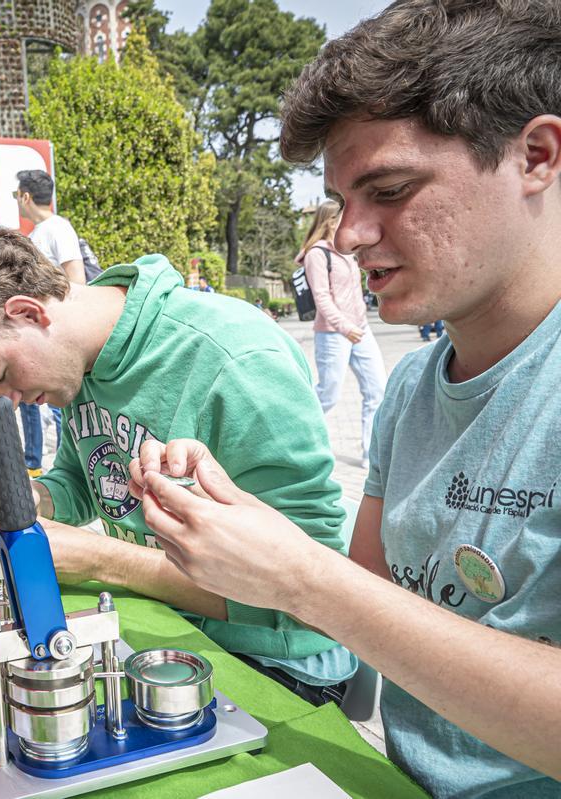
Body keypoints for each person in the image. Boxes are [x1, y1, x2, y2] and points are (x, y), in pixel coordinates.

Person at [127, 1, 561, 794]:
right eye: (340, 200)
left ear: (535, 155)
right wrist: (234, 517)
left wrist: (300, 577)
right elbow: (363, 601)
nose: (348, 234)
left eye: (389, 189)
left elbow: (331, 594)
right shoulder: (411, 392)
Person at [0, 226, 354, 703]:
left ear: (28, 313)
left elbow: (309, 592)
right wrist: (42, 500)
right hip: (166, 626)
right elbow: (86, 477)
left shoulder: (236, 360)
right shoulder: (80, 364)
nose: (10, 401)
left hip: (275, 663)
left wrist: (102, 559)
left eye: (4, 377)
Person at [298, 200, 387, 470]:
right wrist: (345, 327)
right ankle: (295, 438)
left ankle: (371, 455)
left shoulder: (347, 251)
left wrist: (358, 322)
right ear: (329, 221)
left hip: (361, 329)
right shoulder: (317, 254)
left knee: (377, 389)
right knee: (328, 394)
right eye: (342, 217)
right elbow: (322, 299)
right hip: (334, 334)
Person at [15, 169, 78, 474]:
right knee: (28, 396)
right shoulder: (35, 235)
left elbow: (75, 278)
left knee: (58, 405)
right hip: (33, 333)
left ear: (25, 196)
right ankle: (33, 464)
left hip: (56, 333)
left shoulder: (57, 228)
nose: (17, 201)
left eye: (17, 194)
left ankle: (69, 468)